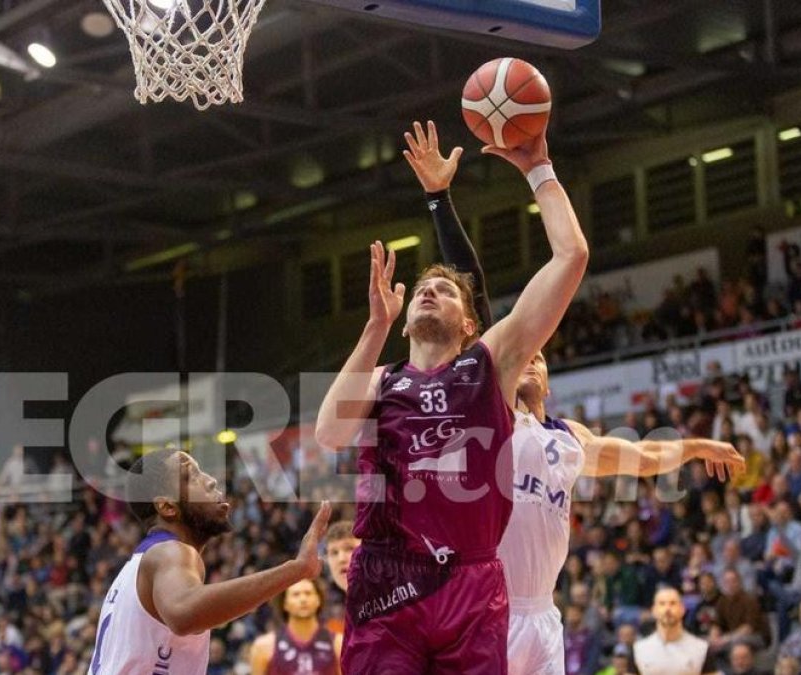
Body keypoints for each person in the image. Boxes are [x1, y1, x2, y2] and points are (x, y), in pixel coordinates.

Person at [403, 119, 744, 675]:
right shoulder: (489, 405)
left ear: (551, 379)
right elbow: (477, 293)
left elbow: (642, 457)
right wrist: (440, 198)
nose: (527, 357)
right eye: (521, 353)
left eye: (538, 355)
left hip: (542, 619)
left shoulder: (570, 439)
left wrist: (697, 445)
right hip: (481, 608)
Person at [317, 119, 589, 672]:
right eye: (421, 290)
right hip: (388, 578)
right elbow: (330, 433)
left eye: (443, 290)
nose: (429, 292)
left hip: (472, 580)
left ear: (470, 323)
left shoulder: (492, 364)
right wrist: (373, 327)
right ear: (403, 319)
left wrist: (539, 168)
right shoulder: (381, 379)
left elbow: (570, 259)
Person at [88, 448, 331, 674]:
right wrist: (296, 569)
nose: (211, 480)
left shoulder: (139, 566)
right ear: (167, 506)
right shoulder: (170, 552)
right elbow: (184, 613)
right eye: (191, 476)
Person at [249, 579, 342, 674]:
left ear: (318, 600)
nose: (303, 599)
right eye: (296, 594)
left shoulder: (339, 643)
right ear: (285, 603)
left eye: (308, 593)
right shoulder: (263, 646)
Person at [632, 587, 715, 675]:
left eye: (673, 603)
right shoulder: (638, 650)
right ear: (654, 610)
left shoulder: (701, 649)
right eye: (662, 604)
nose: (667, 609)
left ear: (682, 609)